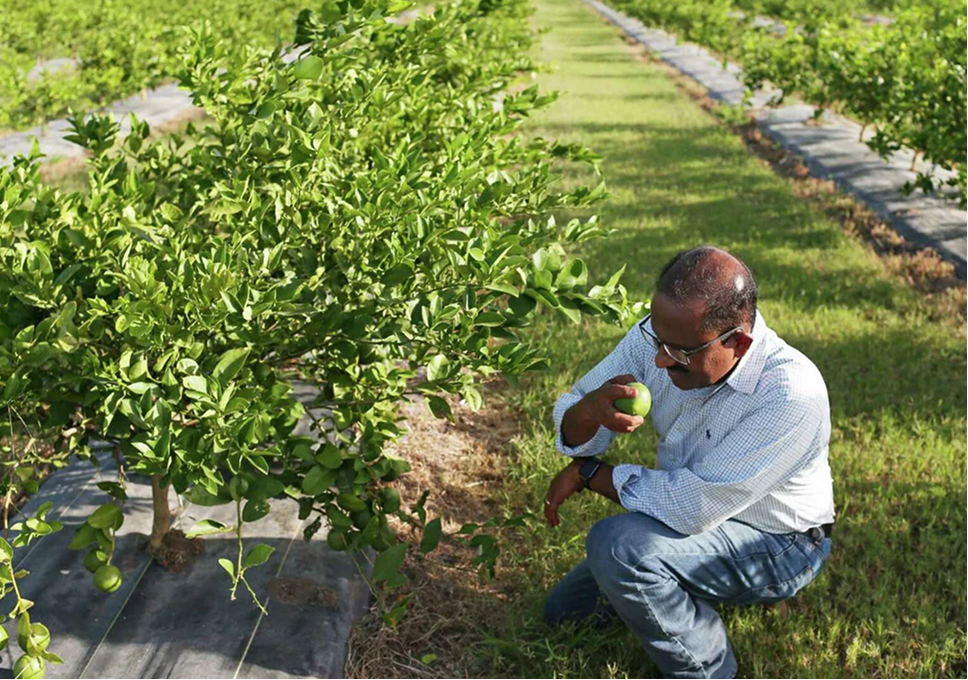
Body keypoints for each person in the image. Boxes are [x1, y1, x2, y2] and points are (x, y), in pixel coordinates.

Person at [543, 246, 835, 679]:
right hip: (698, 515)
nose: (660, 361)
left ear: (738, 343)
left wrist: (593, 474)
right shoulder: (659, 339)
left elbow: (691, 505)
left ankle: (710, 669)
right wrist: (587, 412)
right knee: (564, 614)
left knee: (620, 548)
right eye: (657, 341)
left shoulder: (790, 392)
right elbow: (575, 413)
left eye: (678, 353)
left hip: (781, 541)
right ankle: (681, 583)